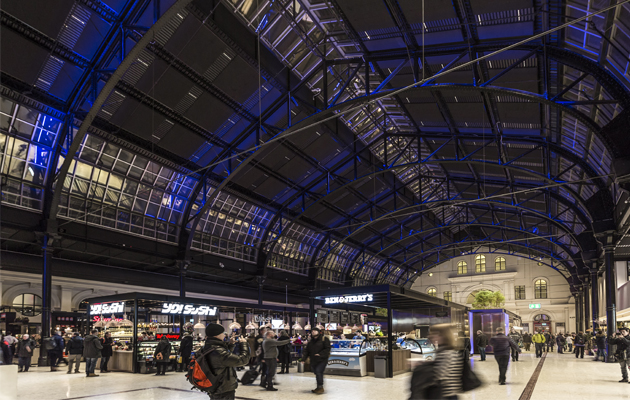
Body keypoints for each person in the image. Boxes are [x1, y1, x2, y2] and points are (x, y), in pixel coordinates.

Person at [410, 324, 463, 400]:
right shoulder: (446, 351)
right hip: (446, 393)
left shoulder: (446, 353)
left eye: (434, 334)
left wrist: (421, 368)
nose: (431, 336)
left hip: (446, 395)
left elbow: (440, 375)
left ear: (443, 336)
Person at [204, 323, 250, 400]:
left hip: (214, 386)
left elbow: (223, 359)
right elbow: (243, 360)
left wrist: (231, 345)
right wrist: (244, 344)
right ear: (217, 335)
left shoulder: (208, 346)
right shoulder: (218, 352)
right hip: (223, 389)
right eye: (222, 333)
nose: (224, 335)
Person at [300, 327, 331, 394]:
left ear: (318, 332)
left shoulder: (324, 339)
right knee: (316, 372)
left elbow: (327, 349)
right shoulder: (311, 341)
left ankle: (320, 387)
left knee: (318, 371)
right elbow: (307, 351)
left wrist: (320, 354)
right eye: (312, 331)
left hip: (322, 359)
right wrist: (303, 359)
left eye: (315, 331)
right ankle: (318, 387)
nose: (313, 332)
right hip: (313, 360)